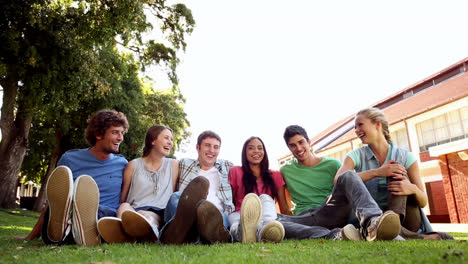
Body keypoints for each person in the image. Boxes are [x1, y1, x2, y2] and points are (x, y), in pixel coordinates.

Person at [335, 107, 453, 240]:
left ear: (377, 124)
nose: (356, 130)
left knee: (396, 170)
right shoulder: (355, 156)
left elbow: (424, 201)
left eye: (360, 125)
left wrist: (412, 188)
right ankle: (410, 235)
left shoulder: (406, 156)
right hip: (369, 220)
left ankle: (392, 224)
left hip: (407, 219)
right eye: (355, 127)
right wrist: (377, 172)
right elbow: (338, 180)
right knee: (393, 169)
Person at [276, 125, 401, 241]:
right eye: (292, 145)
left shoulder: (332, 164)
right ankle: (333, 235)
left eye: (301, 142)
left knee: (348, 175)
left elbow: (349, 183)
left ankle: (373, 222)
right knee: (270, 220)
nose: (298, 148)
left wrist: (378, 172)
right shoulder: (285, 171)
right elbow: (283, 204)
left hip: (330, 210)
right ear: (289, 148)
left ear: (309, 142)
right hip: (304, 218)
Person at [25, 109, 129, 246]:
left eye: (122, 133)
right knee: (61, 209)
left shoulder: (123, 164)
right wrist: (31, 236)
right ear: (98, 134)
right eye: (115, 132)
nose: (120, 138)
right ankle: (65, 231)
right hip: (71, 213)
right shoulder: (70, 159)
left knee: (99, 215)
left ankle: (78, 231)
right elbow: (55, 201)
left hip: (105, 219)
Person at [97, 125, 179, 243]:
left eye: (171, 139)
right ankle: (126, 232)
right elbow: (123, 197)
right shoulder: (133, 165)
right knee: (123, 206)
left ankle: (145, 231)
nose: (170, 142)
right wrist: (125, 208)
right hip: (133, 211)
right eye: (166, 138)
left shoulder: (173, 165)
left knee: (147, 216)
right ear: (153, 140)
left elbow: (174, 193)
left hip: (158, 211)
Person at [159, 130, 233, 244]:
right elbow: (160, 163)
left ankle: (188, 235)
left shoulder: (227, 166)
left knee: (212, 213)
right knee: (175, 196)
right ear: (198, 147)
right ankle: (180, 230)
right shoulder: (184, 163)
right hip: (185, 213)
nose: (211, 150)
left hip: (215, 214)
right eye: (207, 145)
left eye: (216, 147)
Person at [228, 136, 288, 243]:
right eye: (251, 148)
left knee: (265, 198)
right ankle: (243, 233)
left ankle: (266, 230)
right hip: (240, 214)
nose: (256, 151)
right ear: (245, 153)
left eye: (260, 148)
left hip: (266, 216)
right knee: (234, 222)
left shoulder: (275, 175)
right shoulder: (235, 171)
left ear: (264, 152)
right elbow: (231, 201)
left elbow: (284, 208)